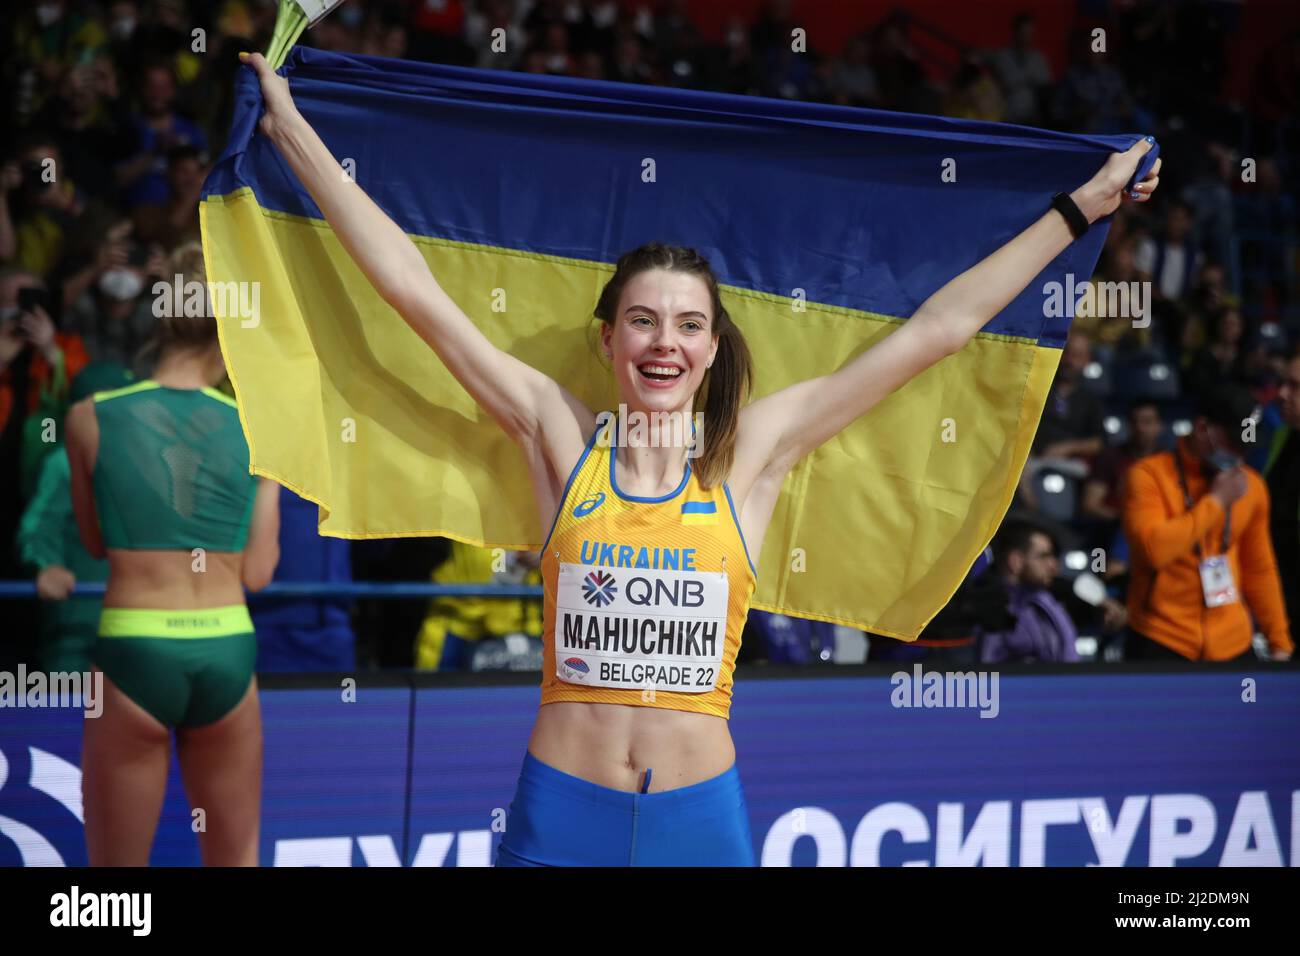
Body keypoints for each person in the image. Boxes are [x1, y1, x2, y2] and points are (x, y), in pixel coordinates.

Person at [241, 50, 1161, 866]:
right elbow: (413, 290)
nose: (664, 342)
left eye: (688, 325)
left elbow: (939, 331)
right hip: (560, 813)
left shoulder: (753, 454)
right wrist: (292, 132)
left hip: (699, 822)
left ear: (714, 348)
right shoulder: (558, 435)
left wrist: (1080, 209)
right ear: (608, 341)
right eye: (642, 320)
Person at [64, 268, 281, 866]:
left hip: (136, 646)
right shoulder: (260, 431)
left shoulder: (88, 416)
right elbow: (258, 573)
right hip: (227, 647)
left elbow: (94, 540)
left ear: (157, 325)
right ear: (227, 336)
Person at [1121, 384, 1293, 662]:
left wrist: (1279, 641)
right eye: (1234, 444)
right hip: (1161, 637)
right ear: (1202, 429)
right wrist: (1215, 502)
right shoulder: (1148, 476)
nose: (1240, 455)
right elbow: (1154, 551)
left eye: (1246, 446)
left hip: (1232, 640)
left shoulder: (1252, 486)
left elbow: (1259, 568)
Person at [16, 361, 133, 673]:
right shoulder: (62, 464)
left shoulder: (148, 464)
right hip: (76, 632)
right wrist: (47, 566)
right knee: (69, 718)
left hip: (139, 629)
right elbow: (38, 528)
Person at [978, 520, 1079, 664]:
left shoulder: (1048, 600)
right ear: (1016, 561)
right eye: (1043, 556)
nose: (1054, 565)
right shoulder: (993, 608)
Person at [1263, 346, 1300, 634]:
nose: (1282, 393)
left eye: (1295, 387)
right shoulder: (1282, 435)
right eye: (1282, 384)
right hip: (1281, 588)